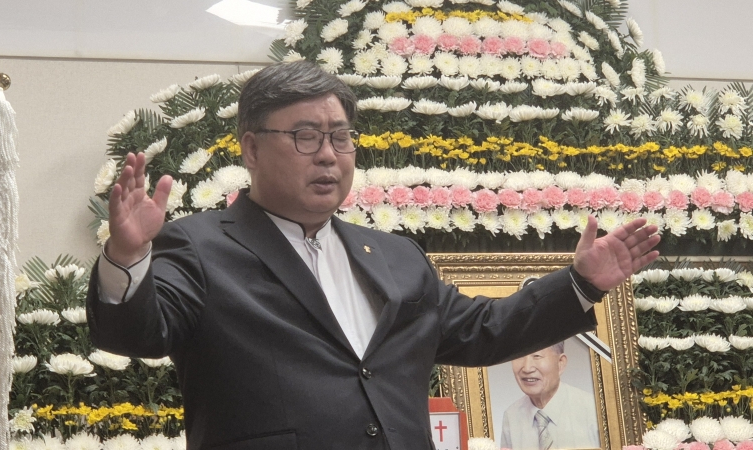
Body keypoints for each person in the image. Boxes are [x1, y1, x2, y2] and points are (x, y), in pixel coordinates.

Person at [86, 60, 660, 450]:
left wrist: (580, 283)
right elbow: (137, 335)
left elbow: (483, 331)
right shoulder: (201, 244)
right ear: (252, 149)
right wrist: (127, 256)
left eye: (341, 137)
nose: (328, 156)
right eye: (306, 137)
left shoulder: (394, 255)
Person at [500, 342, 600, 449]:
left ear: (560, 363)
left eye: (537, 356)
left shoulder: (594, 411)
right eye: (519, 356)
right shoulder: (511, 416)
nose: (527, 368)